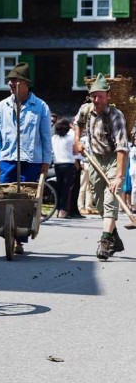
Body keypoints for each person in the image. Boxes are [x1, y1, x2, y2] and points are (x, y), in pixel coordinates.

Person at [0, 62, 52, 255]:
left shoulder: (40, 106)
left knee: (26, 199)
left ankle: (19, 238)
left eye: (15, 80)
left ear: (25, 83)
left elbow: (46, 136)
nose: (10, 83)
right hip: (7, 158)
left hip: (31, 160)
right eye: (9, 80)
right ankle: (7, 231)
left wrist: (46, 162)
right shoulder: (2, 106)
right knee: (5, 197)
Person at [74, 74, 128, 260]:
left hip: (114, 159)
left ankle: (104, 241)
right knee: (98, 200)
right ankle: (115, 239)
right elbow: (77, 123)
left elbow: (122, 148)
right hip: (95, 158)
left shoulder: (116, 116)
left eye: (100, 96)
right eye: (94, 96)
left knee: (110, 198)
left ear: (108, 96)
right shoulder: (86, 109)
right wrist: (77, 141)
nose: (97, 100)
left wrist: (119, 176)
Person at [51, 117, 78, 219]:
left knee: (59, 186)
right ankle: (63, 210)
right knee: (66, 188)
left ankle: (57, 208)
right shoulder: (71, 137)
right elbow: (75, 151)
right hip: (68, 164)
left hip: (57, 164)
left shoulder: (54, 138)